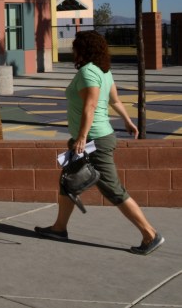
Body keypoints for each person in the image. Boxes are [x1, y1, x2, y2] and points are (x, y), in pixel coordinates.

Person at [35, 31, 164, 255]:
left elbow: (91, 106)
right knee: (68, 182)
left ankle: (149, 234)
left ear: (83, 50)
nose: (73, 51)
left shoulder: (88, 72)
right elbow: (114, 100)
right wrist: (127, 121)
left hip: (94, 141)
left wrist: (82, 138)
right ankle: (59, 228)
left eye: (75, 47)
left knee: (114, 190)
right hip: (89, 139)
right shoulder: (103, 71)